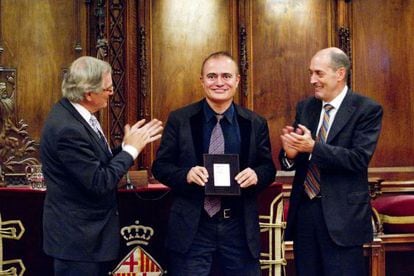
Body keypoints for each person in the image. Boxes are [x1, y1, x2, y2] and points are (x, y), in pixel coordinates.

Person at [152, 51, 276, 275]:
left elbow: (268, 168)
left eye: (226, 76)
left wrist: (257, 175)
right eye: (212, 76)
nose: (219, 82)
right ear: (202, 81)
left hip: (238, 229)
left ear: (237, 80)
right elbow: (160, 167)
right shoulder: (180, 119)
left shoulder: (254, 123)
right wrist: (186, 175)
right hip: (193, 228)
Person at [40, 56, 163, 276]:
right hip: (78, 242)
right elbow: (99, 181)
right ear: (89, 94)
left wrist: (126, 145)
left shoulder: (74, 114)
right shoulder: (68, 129)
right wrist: (130, 151)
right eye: (107, 89)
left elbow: (96, 161)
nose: (112, 92)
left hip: (87, 240)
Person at [279, 47, 383, 275]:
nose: (312, 80)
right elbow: (294, 158)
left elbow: (358, 159)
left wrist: (314, 147)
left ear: (340, 73)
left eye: (318, 73)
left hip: (342, 218)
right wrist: (290, 154)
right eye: (310, 73)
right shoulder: (306, 107)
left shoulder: (367, 109)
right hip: (305, 213)